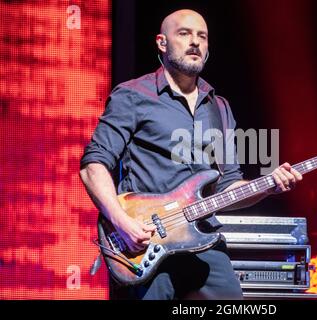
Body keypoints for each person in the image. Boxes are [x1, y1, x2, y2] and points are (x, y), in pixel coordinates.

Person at [79, 9, 302, 300]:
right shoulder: (133, 95)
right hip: (146, 243)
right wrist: (122, 222)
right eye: (184, 34)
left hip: (202, 242)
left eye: (202, 36)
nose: (195, 42)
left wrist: (268, 186)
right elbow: (93, 165)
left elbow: (228, 187)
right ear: (162, 42)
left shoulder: (219, 107)